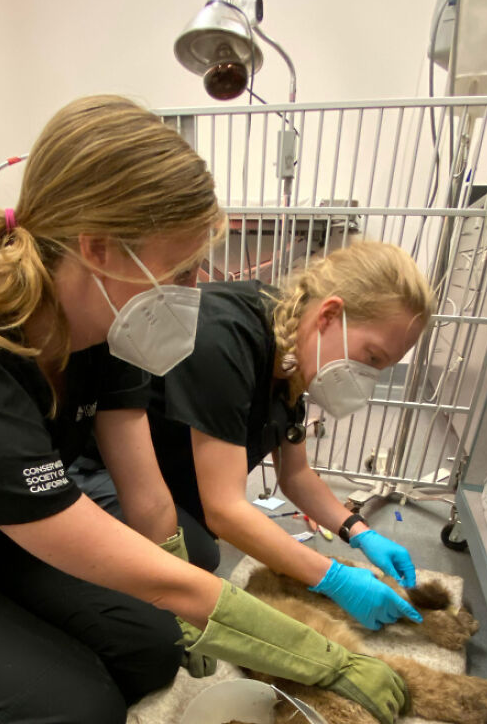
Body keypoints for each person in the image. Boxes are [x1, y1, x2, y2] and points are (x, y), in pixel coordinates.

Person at [0, 95, 407, 724]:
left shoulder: (108, 320)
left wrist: (189, 610)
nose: (195, 290)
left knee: (151, 652)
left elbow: (146, 500)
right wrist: (324, 659)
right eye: (180, 271)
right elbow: (100, 539)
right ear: (99, 248)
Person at [144, 241, 435, 630]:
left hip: (182, 481)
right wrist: (332, 578)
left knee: (200, 544)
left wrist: (359, 532)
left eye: (382, 368)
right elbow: (225, 509)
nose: (368, 378)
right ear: (329, 315)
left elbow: (296, 475)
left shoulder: (292, 349)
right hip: (114, 480)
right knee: (197, 555)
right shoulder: (224, 337)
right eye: (372, 357)